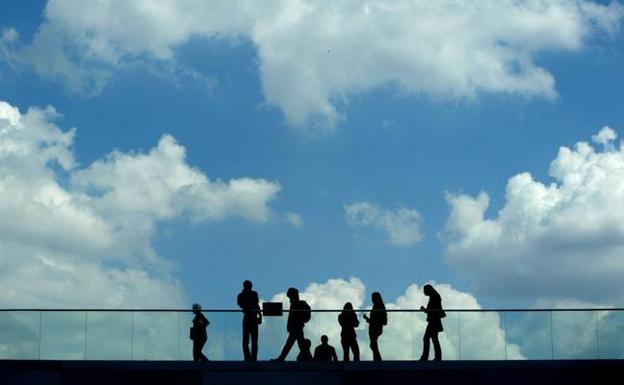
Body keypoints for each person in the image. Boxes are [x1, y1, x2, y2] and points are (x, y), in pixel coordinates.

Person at [273, 287, 311, 361]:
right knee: (301, 344)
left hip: (296, 327)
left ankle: (281, 358)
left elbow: (295, 316)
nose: (287, 294)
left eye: (289, 293)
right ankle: (309, 358)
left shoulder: (297, 304)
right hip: (295, 327)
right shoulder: (293, 303)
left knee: (291, 344)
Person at [237, 279, 262, 361]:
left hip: (250, 317)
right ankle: (250, 358)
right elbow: (255, 305)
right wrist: (260, 315)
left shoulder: (243, 295)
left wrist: (260, 315)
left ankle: (250, 358)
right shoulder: (245, 295)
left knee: (250, 340)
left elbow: (256, 305)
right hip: (250, 317)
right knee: (249, 340)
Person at [419, 284, 444, 361]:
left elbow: (433, 310)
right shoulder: (434, 297)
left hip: (433, 321)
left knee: (426, 338)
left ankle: (425, 356)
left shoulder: (434, 297)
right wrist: (425, 310)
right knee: (434, 339)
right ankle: (437, 357)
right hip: (434, 321)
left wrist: (425, 310)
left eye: (425, 290)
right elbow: (432, 310)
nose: (424, 292)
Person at [363, 292, 386, 361]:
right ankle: (377, 359)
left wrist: (368, 319)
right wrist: (367, 319)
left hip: (375, 328)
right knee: (373, 345)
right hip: (375, 328)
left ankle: (377, 359)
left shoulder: (378, 307)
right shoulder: (379, 306)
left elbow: (377, 320)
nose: (372, 299)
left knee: (373, 345)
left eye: (373, 298)